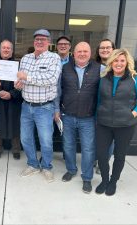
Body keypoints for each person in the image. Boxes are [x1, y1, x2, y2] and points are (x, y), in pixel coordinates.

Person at [95, 48, 137, 196]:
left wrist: (132, 114)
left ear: (127, 62)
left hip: (125, 125)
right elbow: (99, 101)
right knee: (101, 154)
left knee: (119, 155)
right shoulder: (104, 78)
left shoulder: (134, 78)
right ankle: (104, 180)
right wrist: (97, 118)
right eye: (116, 60)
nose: (119, 63)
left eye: (122, 60)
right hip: (104, 124)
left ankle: (113, 182)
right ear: (111, 62)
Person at [15, 29, 62, 183]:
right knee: (26, 138)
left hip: (44, 107)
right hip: (26, 106)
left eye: (43, 39)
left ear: (49, 42)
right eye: (37, 39)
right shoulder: (25, 58)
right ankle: (33, 164)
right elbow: (23, 81)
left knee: (46, 140)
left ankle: (47, 166)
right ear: (33, 41)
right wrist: (19, 84)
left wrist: (26, 77)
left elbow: (50, 79)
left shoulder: (54, 58)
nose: (39, 42)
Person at [55, 41, 101, 193]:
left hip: (88, 117)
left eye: (85, 51)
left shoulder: (100, 69)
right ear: (73, 54)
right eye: (79, 51)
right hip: (67, 115)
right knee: (68, 146)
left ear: (90, 53)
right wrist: (56, 110)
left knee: (88, 149)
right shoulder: (64, 68)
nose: (82, 54)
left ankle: (87, 178)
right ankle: (71, 169)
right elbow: (58, 92)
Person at [0, 40, 23, 160]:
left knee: (14, 123)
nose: (6, 50)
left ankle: (16, 148)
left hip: (14, 100)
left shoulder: (18, 66)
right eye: (3, 48)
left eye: (8, 48)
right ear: (0, 50)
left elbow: (21, 84)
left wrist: (11, 94)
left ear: (11, 51)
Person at [94, 39, 116, 174]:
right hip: (94, 108)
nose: (105, 50)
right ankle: (95, 159)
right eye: (102, 48)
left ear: (113, 49)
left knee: (109, 140)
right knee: (95, 138)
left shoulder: (118, 66)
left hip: (110, 110)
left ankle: (103, 163)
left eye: (108, 47)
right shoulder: (94, 66)